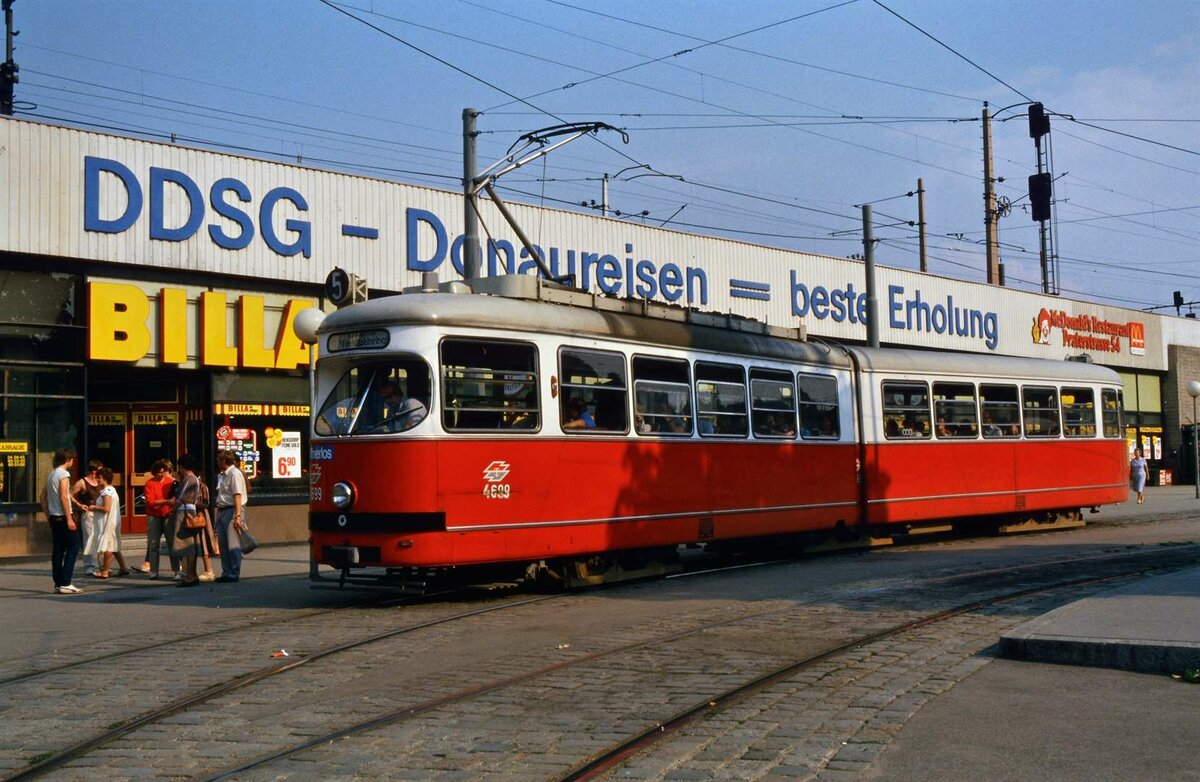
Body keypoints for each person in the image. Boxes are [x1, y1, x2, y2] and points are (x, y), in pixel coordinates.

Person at [43, 447, 82, 594]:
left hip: (54, 516)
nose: (72, 462)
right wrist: (69, 518)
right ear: (68, 460)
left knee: (58, 549)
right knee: (73, 547)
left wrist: (48, 514)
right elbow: (64, 496)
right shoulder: (64, 474)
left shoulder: (51, 474)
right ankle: (66, 581)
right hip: (63, 515)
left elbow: (43, 497)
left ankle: (58, 582)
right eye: (71, 459)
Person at [85, 467, 129, 579]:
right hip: (112, 521)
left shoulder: (106, 492)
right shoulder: (111, 490)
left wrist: (94, 507)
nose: (97, 480)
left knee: (108, 547)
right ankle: (123, 568)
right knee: (113, 546)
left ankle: (104, 571)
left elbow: (106, 508)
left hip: (108, 523)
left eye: (99, 478)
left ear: (104, 478)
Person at [213, 450, 249, 583]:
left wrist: (238, 515)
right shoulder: (225, 475)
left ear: (223, 461)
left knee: (232, 543)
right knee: (223, 543)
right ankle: (226, 572)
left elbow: (237, 495)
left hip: (232, 509)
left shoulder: (234, 474)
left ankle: (233, 573)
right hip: (223, 509)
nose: (217, 463)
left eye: (218, 460)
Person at [169, 453, 204, 587]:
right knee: (192, 544)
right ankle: (192, 574)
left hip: (184, 512)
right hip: (191, 511)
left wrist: (172, 509)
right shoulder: (195, 478)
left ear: (182, 466)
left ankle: (190, 575)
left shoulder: (188, 479)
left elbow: (181, 497)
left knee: (186, 544)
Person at [70, 460, 103, 576]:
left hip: (100, 513)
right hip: (88, 513)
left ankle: (102, 565)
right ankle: (89, 565)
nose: (101, 472)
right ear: (94, 471)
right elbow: (69, 494)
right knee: (89, 539)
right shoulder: (82, 482)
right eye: (100, 469)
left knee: (100, 539)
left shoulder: (100, 481)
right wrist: (78, 504)